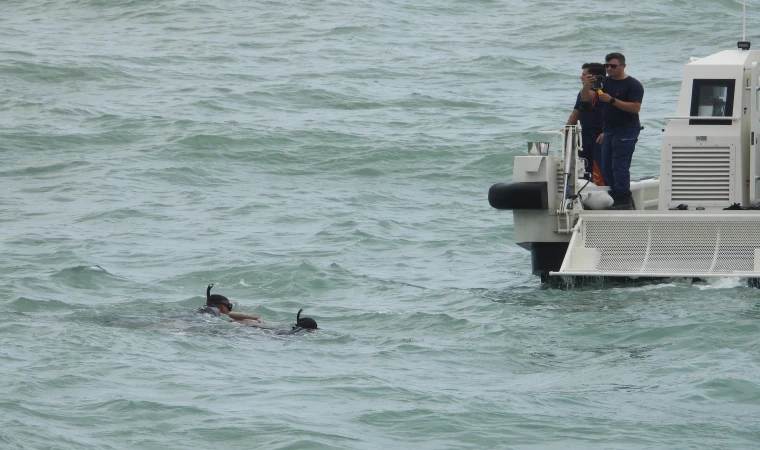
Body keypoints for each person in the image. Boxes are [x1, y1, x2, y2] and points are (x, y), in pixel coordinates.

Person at [581, 52, 644, 209]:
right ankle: (617, 197)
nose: (609, 69)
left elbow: (635, 107)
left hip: (627, 129)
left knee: (619, 165)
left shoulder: (633, 85)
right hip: (609, 130)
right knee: (606, 167)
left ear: (623, 66)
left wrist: (612, 100)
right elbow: (586, 99)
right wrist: (586, 85)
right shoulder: (604, 83)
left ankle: (625, 199)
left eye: (613, 66)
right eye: (606, 65)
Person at [566, 62, 605, 183]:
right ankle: (586, 188)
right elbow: (576, 113)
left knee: (603, 165)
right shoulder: (582, 92)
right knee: (584, 166)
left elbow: (588, 98)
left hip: (600, 134)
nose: (581, 77)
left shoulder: (605, 91)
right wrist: (567, 129)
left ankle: (611, 192)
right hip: (585, 133)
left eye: (584, 75)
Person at [198, 284, 263, 322]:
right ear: (222, 307)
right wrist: (256, 318)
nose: (230, 310)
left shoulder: (202, 310)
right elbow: (232, 314)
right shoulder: (216, 312)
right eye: (229, 307)